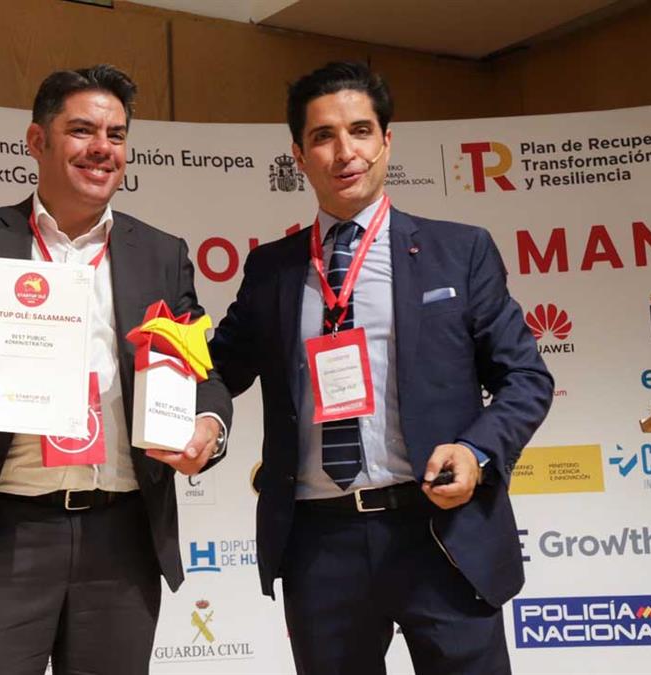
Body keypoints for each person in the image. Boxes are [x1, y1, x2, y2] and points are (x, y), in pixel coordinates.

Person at [209, 61, 553, 674]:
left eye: (361, 131)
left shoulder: (459, 251)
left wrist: (477, 451)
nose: (345, 152)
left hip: (440, 531)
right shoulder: (272, 271)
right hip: (321, 545)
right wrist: (163, 365)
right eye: (323, 136)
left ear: (387, 141)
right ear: (299, 155)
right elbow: (217, 370)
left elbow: (526, 378)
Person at [0, 65, 232, 675]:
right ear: (37, 140)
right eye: (82, 130)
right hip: (1, 532)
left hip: (122, 536)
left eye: (116, 135)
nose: (102, 148)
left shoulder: (162, 254)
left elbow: (201, 373)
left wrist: (208, 426)